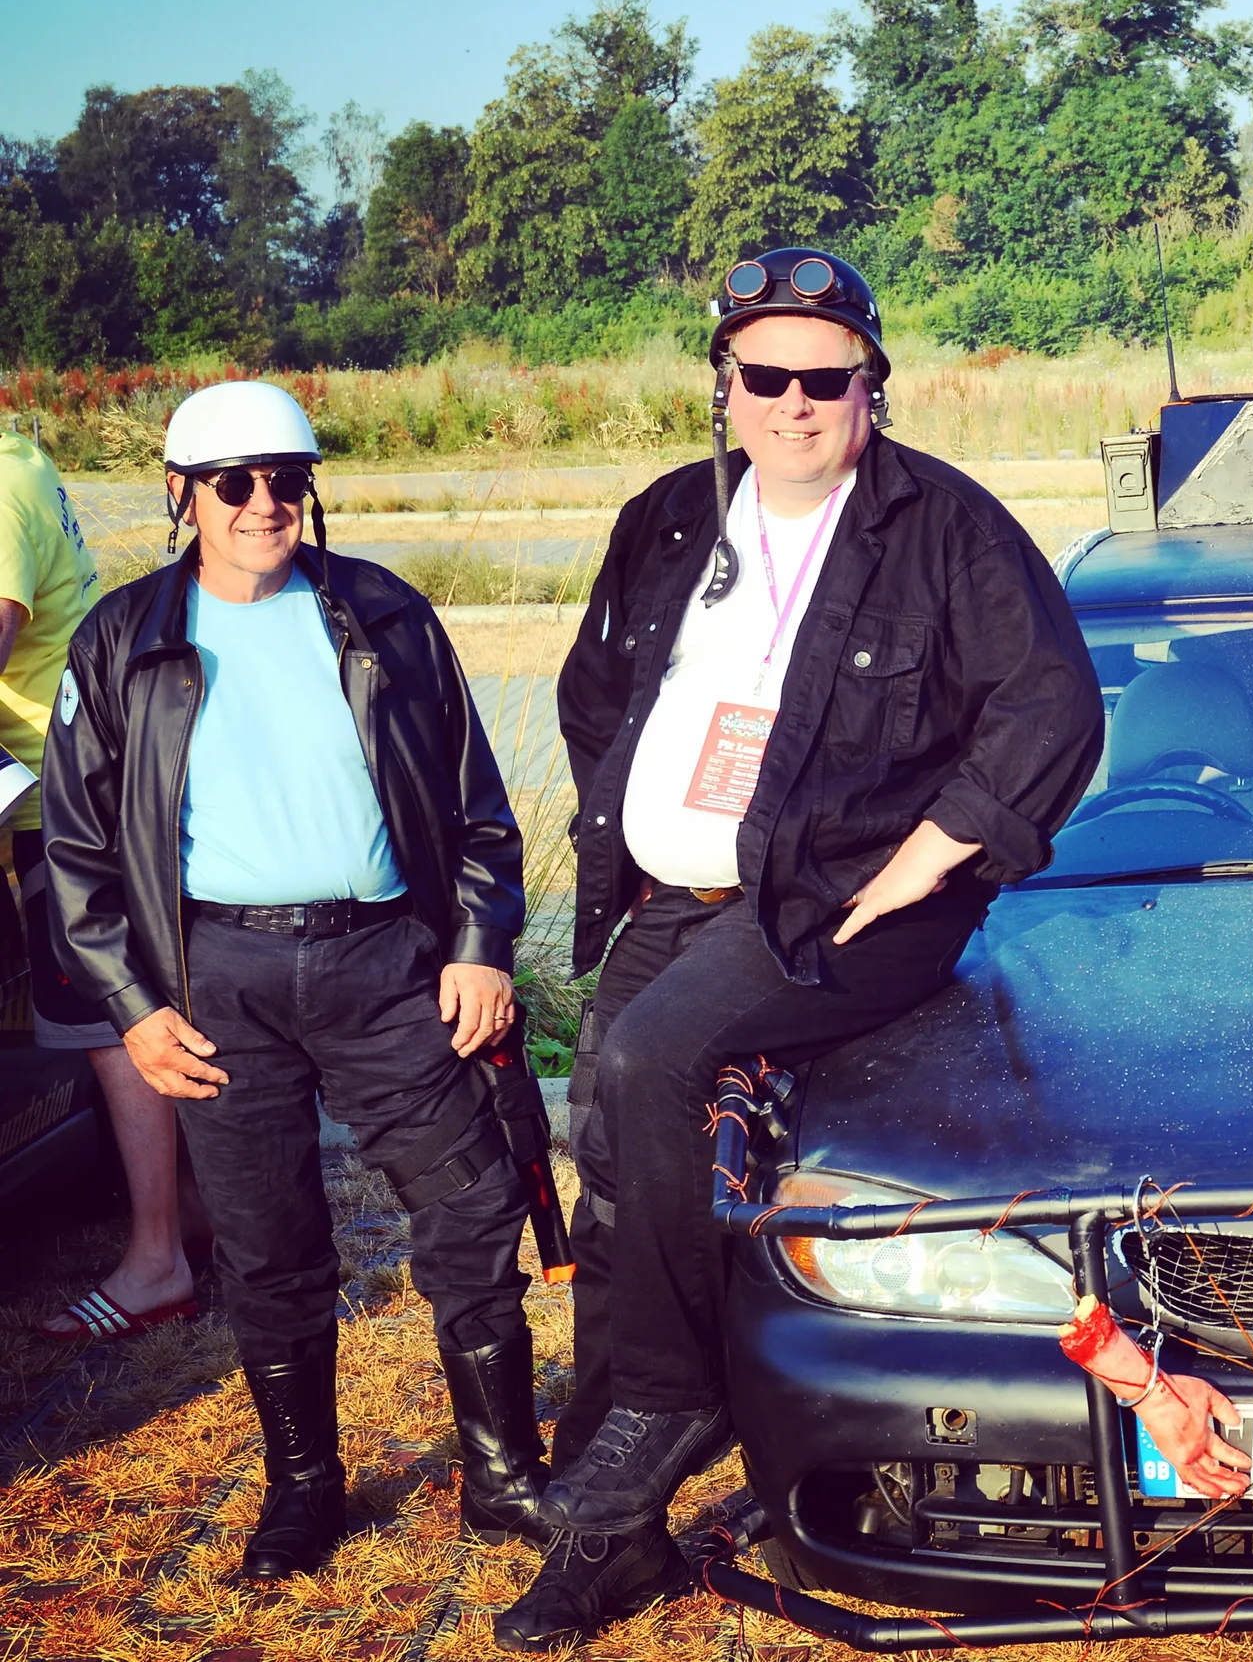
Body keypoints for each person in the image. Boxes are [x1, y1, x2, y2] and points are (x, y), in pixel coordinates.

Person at [494, 248, 1102, 1650]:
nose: (795, 402)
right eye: (764, 375)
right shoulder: (666, 518)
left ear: (873, 387)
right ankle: (609, 1543)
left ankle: (674, 1399)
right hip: (676, 904)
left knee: (649, 1056)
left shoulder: (946, 527)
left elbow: (1052, 706)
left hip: (843, 913)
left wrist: (929, 855)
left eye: (827, 378)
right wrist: (641, 837)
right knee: (615, 1164)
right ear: (724, 385)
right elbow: (598, 694)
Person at [42, 379, 551, 1581]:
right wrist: (134, 1008)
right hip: (220, 978)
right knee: (270, 1246)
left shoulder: (386, 614)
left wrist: (480, 943)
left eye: (287, 479)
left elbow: (479, 810)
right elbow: (77, 853)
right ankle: (305, 1488)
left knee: (475, 1207)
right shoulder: (120, 639)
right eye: (235, 482)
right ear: (182, 494)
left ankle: (503, 1471)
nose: (264, 502)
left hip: (390, 965)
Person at [0, 425, 208, 1343]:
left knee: (106, 1020)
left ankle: (158, 1259)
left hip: (59, 792)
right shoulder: (20, 455)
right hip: (79, 778)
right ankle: (195, 1217)